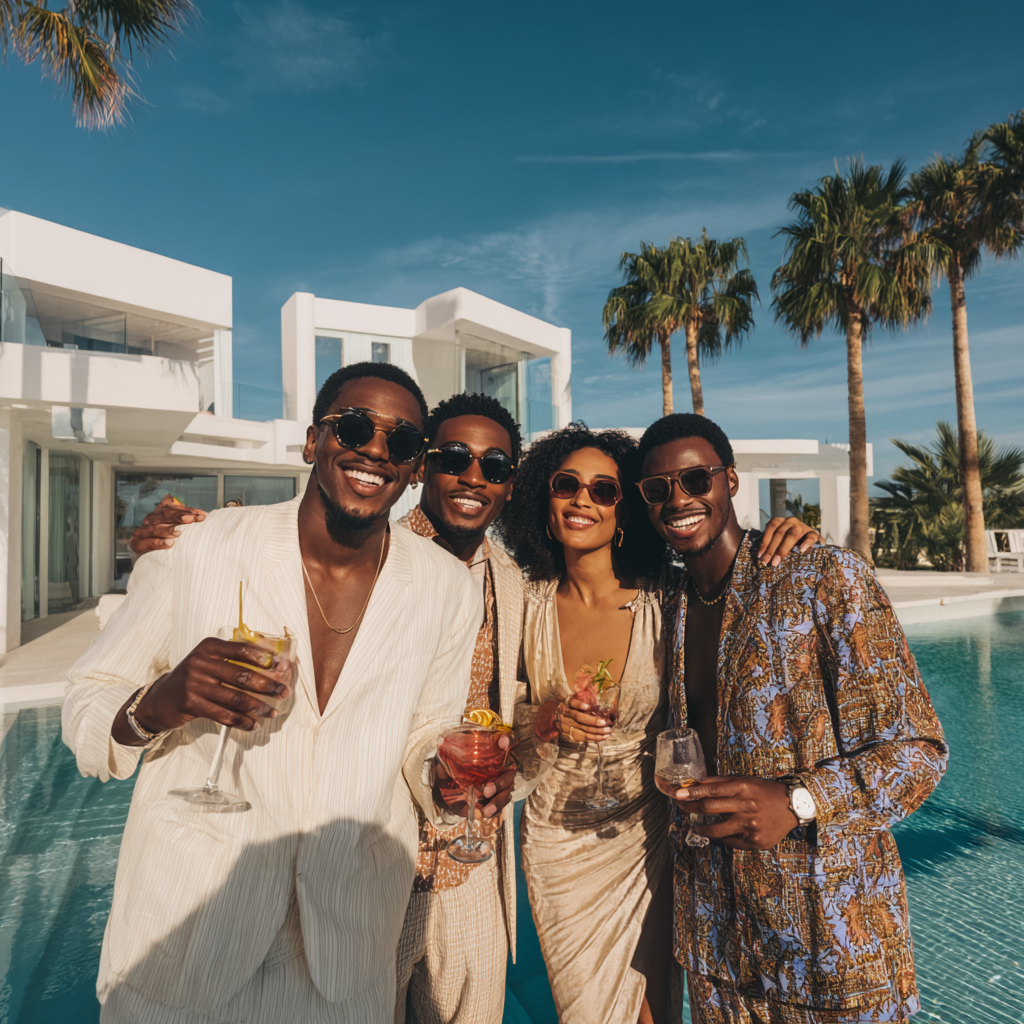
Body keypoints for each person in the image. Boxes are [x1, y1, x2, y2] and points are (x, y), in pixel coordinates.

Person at [63, 362, 506, 1024]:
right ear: (311, 440)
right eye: (354, 427)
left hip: (346, 958)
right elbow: (89, 698)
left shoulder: (446, 588)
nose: (375, 451)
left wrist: (444, 776)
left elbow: (426, 735)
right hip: (185, 942)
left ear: (416, 467)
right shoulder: (197, 548)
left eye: (403, 442)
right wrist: (163, 701)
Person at [496, 423, 822, 1024]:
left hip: (649, 834)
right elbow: (499, 713)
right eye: (567, 485)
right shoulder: (526, 602)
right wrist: (544, 716)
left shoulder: (666, 597)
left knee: (657, 1006)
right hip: (558, 841)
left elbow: (736, 585)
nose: (583, 500)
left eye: (604, 490)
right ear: (544, 498)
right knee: (587, 1009)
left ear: (624, 511)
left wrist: (795, 535)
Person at [638, 413, 949, 1024]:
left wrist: (797, 800)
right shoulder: (667, 603)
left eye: (696, 479)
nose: (679, 500)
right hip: (719, 950)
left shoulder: (822, 577)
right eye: (658, 489)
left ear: (729, 481)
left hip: (831, 944)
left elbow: (917, 750)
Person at [391, 392, 525, 1024]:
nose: (475, 478)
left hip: (473, 862)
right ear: (422, 465)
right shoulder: (373, 558)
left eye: (495, 466)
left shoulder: (514, 577)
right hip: (378, 864)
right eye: (455, 458)